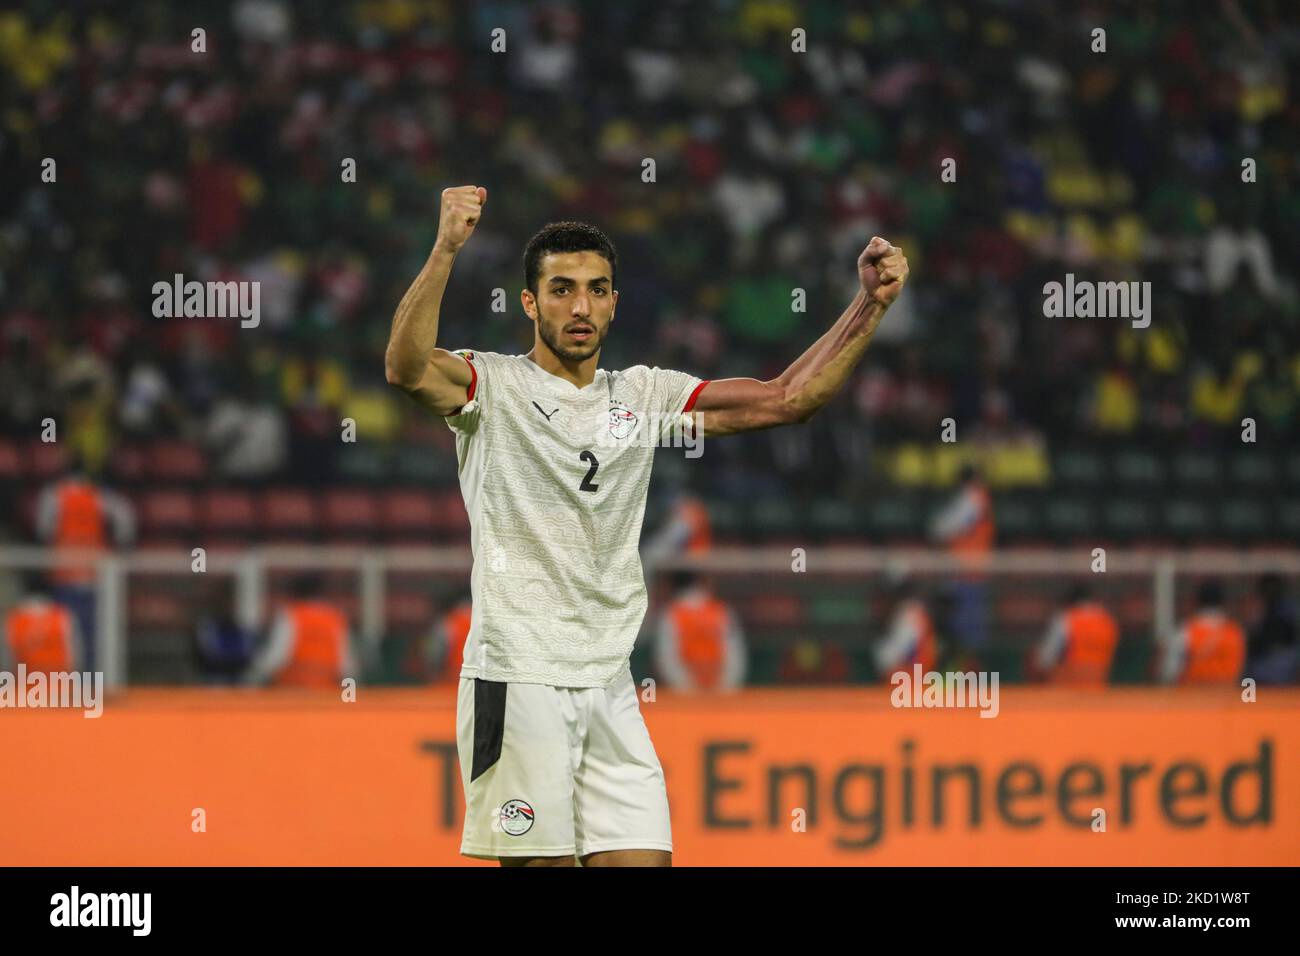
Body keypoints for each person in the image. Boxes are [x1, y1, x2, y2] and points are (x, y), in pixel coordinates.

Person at [385, 186, 908, 866]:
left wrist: (870, 306)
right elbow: (404, 368)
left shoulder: (643, 394)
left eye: (597, 290)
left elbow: (788, 398)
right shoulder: (493, 386)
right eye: (562, 289)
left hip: (610, 684)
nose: (580, 306)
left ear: (614, 303)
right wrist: (446, 247)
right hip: (518, 680)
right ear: (529, 303)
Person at [34, 458, 134, 670]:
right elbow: (126, 520)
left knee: (66, 635)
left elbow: (43, 529)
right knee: (94, 636)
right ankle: (93, 685)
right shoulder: (100, 496)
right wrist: (120, 546)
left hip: (65, 577)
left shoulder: (53, 495)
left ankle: (70, 685)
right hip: (94, 577)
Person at [245, 576, 358, 688]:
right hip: (327, 691)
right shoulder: (334, 617)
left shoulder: (291, 614)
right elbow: (346, 664)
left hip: (294, 690)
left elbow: (277, 656)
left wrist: (254, 675)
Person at [929, 463, 994, 651]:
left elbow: (942, 528)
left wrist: (938, 524)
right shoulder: (977, 497)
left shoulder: (973, 498)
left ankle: (968, 670)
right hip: (965, 570)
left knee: (967, 632)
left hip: (967, 572)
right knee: (963, 628)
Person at [653, 571, 746, 692]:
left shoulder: (671, 613)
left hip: (685, 693)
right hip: (720, 690)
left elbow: (666, 658)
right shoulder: (721, 610)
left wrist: (686, 686)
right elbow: (734, 654)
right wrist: (725, 685)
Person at [1156, 579, 1246, 685]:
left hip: (1190, 697)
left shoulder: (1186, 630)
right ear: (1224, 602)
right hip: (1226, 696)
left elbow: (1169, 671)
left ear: (1196, 602)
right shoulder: (1235, 632)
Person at [1027, 584, 1119, 686]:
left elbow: (1045, 659)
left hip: (1068, 686)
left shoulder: (1067, 618)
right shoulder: (1107, 621)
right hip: (1098, 685)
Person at [1, 571, 81, 675]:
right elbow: (75, 656)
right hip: (60, 685)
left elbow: (6, 661)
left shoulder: (13, 619)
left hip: (25, 687)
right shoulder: (62, 616)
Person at [872, 574, 938, 682]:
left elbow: (888, 660)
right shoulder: (900, 612)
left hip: (911, 682)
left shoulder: (911, 612)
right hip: (899, 682)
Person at [1245, 573, 1297, 684]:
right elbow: (1254, 646)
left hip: (1283, 663)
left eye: (1273, 589)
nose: (1270, 593)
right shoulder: (1259, 613)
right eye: (1267, 590)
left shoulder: (1288, 611)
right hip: (1262, 667)